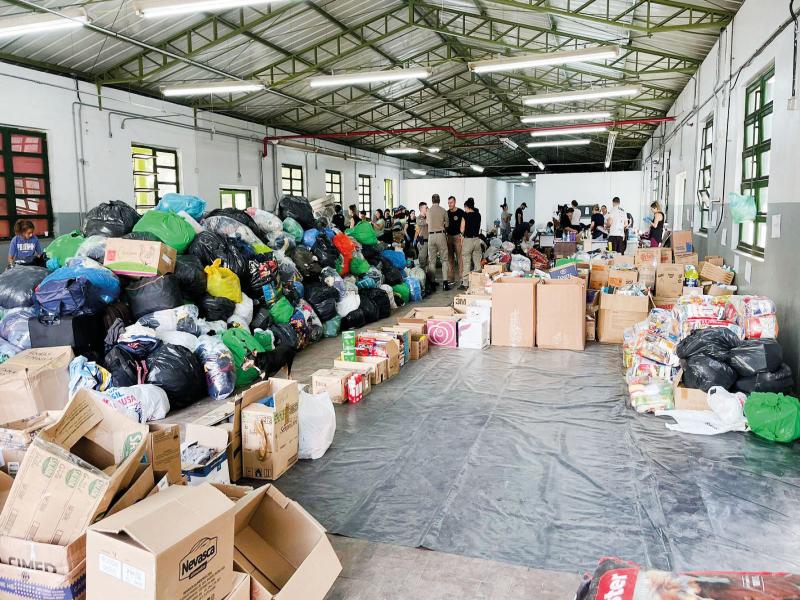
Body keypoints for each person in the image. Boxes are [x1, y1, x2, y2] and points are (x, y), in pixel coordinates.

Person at [426, 194, 451, 289]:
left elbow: (428, 222)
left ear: (432, 201)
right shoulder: (443, 210)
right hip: (441, 235)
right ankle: (445, 283)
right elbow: (447, 224)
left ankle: (432, 283)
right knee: (444, 259)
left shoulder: (428, 211)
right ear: (439, 200)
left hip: (431, 236)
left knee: (432, 261)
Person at [459, 198, 482, 289]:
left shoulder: (465, 215)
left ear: (467, 207)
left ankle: (465, 283)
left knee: (466, 262)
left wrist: (461, 236)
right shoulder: (478, 215)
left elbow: (462, 229)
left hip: (468, 241)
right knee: (477, 263)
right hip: (476, 240)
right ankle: (478, 281)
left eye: (465, 208)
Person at [446, 196, 464, 286]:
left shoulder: (460, 212)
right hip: (449, 237)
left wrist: (462, 236)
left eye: (451, 202)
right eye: (448, 203)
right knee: (450, 259)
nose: (449, 204)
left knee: (460, 258)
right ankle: (451, 279)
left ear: (455, 202)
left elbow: (465, 224)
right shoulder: (446, 213)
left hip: (457, 237)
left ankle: (462, 278)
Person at [415, 202, 429, 270]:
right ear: (421, 209)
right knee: (422, 261)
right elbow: (425, 222)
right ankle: (422, 278)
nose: (427, 209)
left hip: (429, 241)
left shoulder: (428, 217)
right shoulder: (418, 218)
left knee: (429, 261)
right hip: (422, 241)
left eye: (427, 207)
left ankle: (429, 279)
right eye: (425, 208)